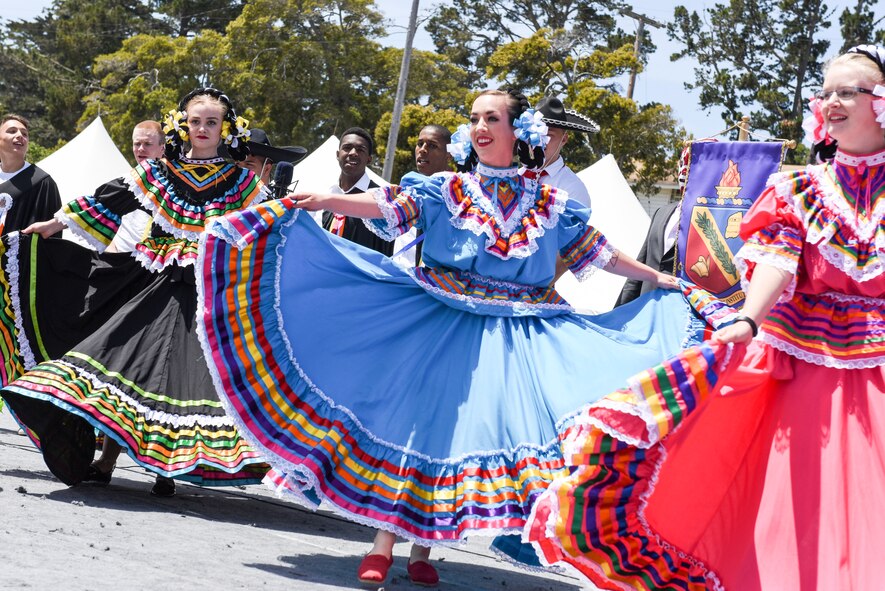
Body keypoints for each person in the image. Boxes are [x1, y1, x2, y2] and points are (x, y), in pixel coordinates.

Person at [196, 88, 731, 586]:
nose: (478, 126)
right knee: (419, 425)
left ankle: (425, 547)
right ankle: (384, 544)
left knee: (470, 436)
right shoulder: (446, 189)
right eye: (474, 118)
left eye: (490, 118)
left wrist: (656, 277)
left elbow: (601, 252)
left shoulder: (550, 202)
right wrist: (324, 202)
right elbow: (387, 208)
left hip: (520, 332)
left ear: (517, 131)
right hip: (441, 318)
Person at [526, 45, 885, 590]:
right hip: (801, 362)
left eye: (848, 92)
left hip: (875, 364)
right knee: (784, 500)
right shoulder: (801, 189)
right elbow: (775, 261)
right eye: (825, 92)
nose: (832, 102)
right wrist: (747, 319)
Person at [0, 88, 269, 498]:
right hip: (151, 280)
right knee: (121, 362)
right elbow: (110, 198)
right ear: (183, 125)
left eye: (212, 122)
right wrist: (56, 225)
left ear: (225, 130)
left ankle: (167, 469)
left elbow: (267, 231)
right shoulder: (159, 171)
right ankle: (106, 461)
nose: (202, 129)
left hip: (208, 291)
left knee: (190, 379)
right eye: (195, 121)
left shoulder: (243, 182)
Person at [321, 127, 393, 256]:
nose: (353, 153)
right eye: (347, 148)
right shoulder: (327, 195)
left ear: (369, 159)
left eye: (360, 150)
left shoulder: (382, 200)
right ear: (338, 154)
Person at [107, 121, 167, 253]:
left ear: (162, 148)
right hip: (119, 260)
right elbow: (106, 218)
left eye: (147, 144)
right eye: (137, 144)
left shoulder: (173, 187)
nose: (140, 148)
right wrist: (111, 250)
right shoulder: (124, 181)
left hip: (153, 264)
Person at [0, 114, 62, 236]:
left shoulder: (43, 183)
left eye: (24, 134)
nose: (19, 136)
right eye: (12, 131)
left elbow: (52, 239)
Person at [531, 96, 597, 208]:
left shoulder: (573, 188)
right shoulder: (516, 176)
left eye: (548, 135)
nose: (540, 141)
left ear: (564, 139)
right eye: (535, 133)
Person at [237, 128, 307, 186]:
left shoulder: (279, 202)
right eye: (237, 165)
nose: (240, 171)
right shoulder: (229, 200)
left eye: (249, 164)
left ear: (267, 169)